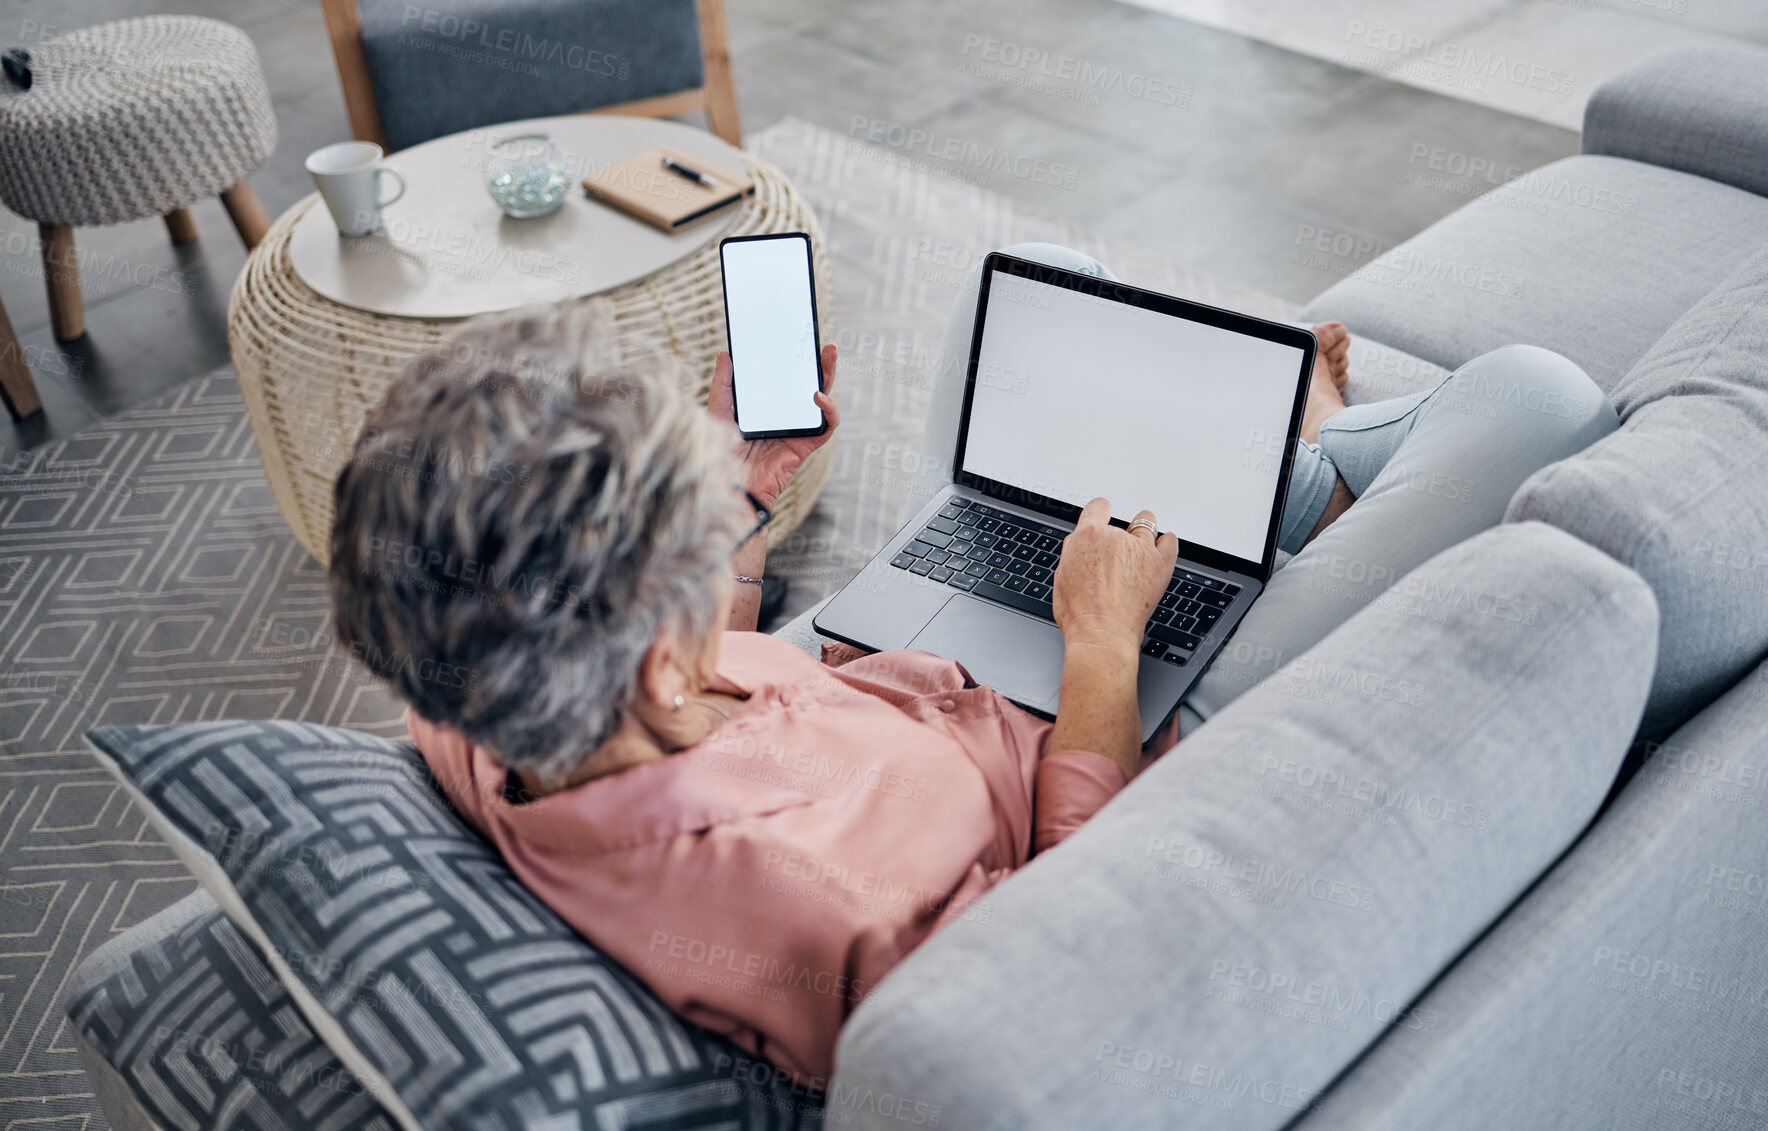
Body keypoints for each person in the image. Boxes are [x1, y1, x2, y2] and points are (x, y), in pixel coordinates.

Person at [327, 251, 1616, 1088]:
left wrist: (735, 484)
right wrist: (1104, 645)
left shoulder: (471, 674)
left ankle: (1280, 479)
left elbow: (682, 655)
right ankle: (1307, 462)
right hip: (1108, 734)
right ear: (659, 660)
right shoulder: (814, 920)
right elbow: (1082, 916)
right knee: (1530, 400)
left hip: (885, 645)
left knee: (1043, 293)